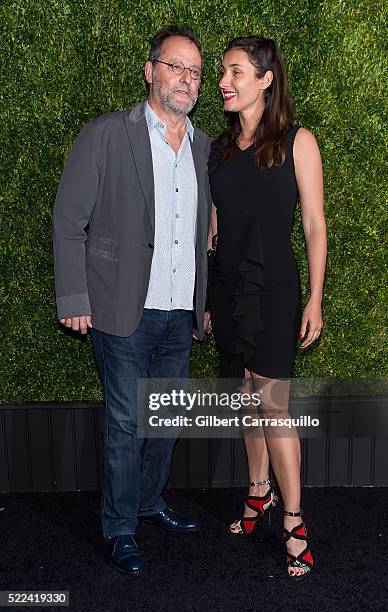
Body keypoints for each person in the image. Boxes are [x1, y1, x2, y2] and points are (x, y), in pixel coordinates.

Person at [52, 26, 212, 576]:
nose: (185, 79)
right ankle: (120, 528)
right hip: (122, 307)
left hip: (178, 310)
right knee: (124, 423)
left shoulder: (202, 145)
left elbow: (198, 231)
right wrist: (74, 295)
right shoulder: (106, 134)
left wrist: (202, 299)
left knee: (163, 420)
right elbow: (69, 220)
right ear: (150, 70)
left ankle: (148, 501)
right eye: (175, 67)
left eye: (194, 71)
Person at [206, 36, 327, 580]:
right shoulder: (218, 147)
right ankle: (259, 494)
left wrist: (316, 298)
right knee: (243, 401)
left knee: (273, 406)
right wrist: (207, 298)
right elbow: (213, 226)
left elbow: (314, 225)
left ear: (265, 78)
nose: (224, 82)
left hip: (275, 290)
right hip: (228, 290)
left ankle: (294, 522)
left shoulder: (299, 141)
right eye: (223, 73)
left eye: (234, 72)